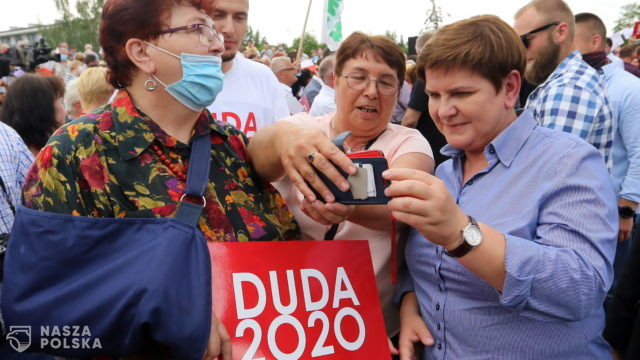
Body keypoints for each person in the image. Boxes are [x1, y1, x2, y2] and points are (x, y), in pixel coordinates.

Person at [13, 0, 299, 357]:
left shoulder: (234, 147)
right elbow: (39, 316)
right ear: (142, 52)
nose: (218, 41)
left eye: (213, 29)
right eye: (199, 28)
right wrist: (170, 309)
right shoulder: (76, 154)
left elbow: (284, 261)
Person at [389, 15, 616, 359]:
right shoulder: (445, 172)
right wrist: (410, 308)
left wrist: (461, 234)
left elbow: (581, 289)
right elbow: (424, 267)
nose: (443, 110)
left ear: (510, 88)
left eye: (461, 93)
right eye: (434, 95)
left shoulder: (568, 162)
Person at [250, 31, 434, 348]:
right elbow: (255, 158)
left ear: (399, 90)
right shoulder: (302, 127)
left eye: (386, 82)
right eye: (358, 78)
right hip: (289, 311)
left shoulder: (408, 141)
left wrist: (351, 210)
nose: (371, 92)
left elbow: (404, 204)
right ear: (335, 81)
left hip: (369, 316)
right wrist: (283, 141)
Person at [574, 12, 640, 296]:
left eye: (571, 44)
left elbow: (639, 152)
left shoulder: (629, 88)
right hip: (585, 209)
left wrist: (627, 209)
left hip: (618, 213)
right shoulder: (580, 83)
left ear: (595, 40)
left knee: (614, 292)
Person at [513, 0, 614, 168]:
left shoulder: (569, 88)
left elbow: (550, 175)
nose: (522, 51)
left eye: (525, 41)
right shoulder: (565, 82)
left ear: (560, 32)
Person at [207, 0, 289, 138]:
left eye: (239, 18)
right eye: (217, 15)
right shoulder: (168, 79)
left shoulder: (263, 77)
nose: (230, 29)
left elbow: (284, 142)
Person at [401, 31, 448, 167]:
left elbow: (410, 120)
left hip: (430, 150)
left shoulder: (425, 79)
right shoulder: (449, 73)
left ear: (419, 52)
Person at [0, 74, 66, 155]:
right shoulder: (44, 159)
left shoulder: (11, 150)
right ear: (44, 111)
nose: (65, 111)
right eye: (60, 102)